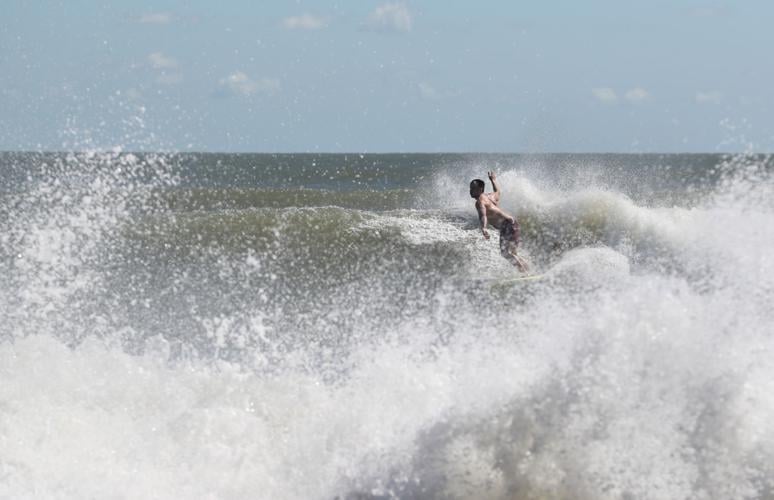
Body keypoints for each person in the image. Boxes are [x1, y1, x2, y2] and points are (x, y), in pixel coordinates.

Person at [470, 171, 529, 272]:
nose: (470, 191)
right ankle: (528, 271)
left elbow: (483, 215)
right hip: (512, 223)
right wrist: (493, 180)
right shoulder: (490, 197)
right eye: (470, 188)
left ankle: (525, 273)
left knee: (505, 253)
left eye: (473, 188)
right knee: (512, 253)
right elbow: (498, 191)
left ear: (480, 189)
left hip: (507, 225)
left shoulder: (480, 202)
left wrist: (484, 227)